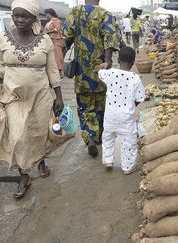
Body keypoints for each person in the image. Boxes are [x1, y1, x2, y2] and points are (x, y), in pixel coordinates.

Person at [0, 0, 67, 198]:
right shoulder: (3, 38)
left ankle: (40, 161)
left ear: (34, 18)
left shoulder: (44, 40)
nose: (20, 20)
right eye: (16, 16)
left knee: (38, 133)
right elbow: (1, 66)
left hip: (40, 95)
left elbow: (52, 70)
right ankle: (24, 176)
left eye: (25, 16)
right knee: (18, 136)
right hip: (14, 96)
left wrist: (59, 97)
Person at [63, 0, 119, 156]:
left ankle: (90, 138)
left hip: (81, 71)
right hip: (100, 69)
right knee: (100, 104)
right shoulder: (105, 14)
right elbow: (109, 38)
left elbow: (66, 38)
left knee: (85, 106)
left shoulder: (74, 13)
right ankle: (99, 136)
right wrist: (107, 61)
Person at [96, 46, 145, 174]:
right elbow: (140, 98)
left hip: (110, 115)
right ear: (133, 62)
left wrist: (104, 66)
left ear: (118, 59)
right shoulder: (135, 78)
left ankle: (108, 160)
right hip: (126, 117)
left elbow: (99, 72)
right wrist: (131, 103)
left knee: (107, 138)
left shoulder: (110, 73)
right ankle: (127, 167)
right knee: (129, 142)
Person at [44, 8, 64, 77]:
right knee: (52, 56)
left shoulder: (57, 20)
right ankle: (53, 72)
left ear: (49, 14)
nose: (46, 16)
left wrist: (48, 32)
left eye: (46, 14)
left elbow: (57, 29)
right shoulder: (48, 23)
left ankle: (60, 72)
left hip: (56, 40)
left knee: (58, 56)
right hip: (50, 41)